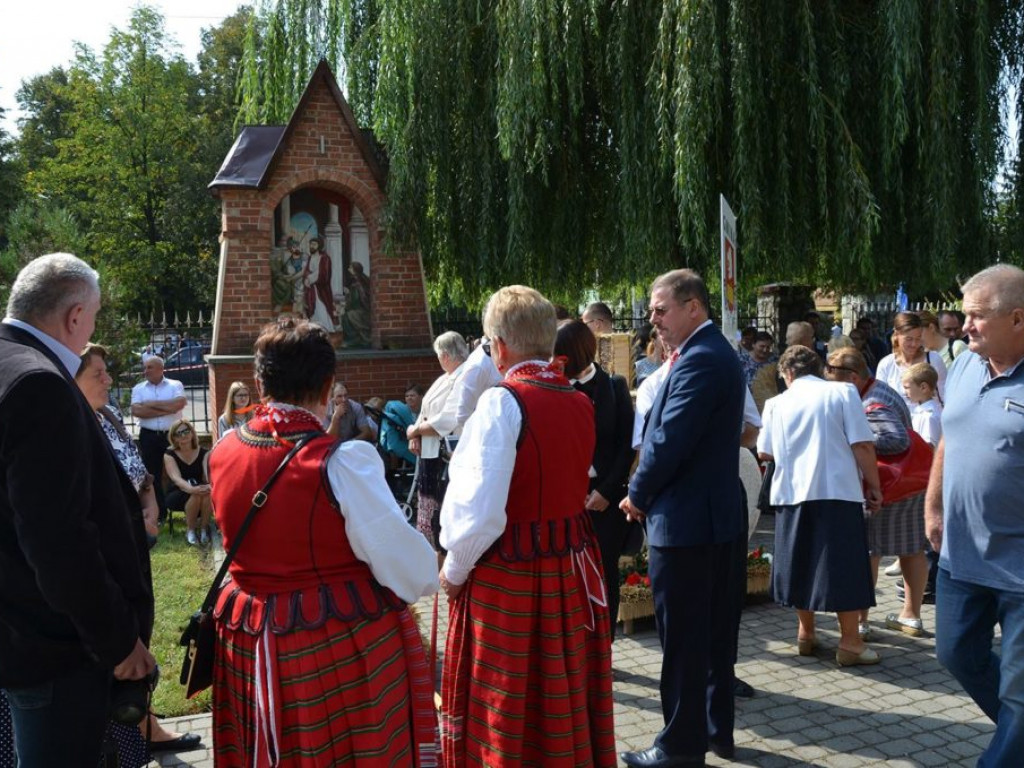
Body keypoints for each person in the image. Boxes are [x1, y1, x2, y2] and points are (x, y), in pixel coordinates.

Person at [208, 317, 439, 766]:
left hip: (249, 637)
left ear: (259, 382)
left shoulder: (223, 450)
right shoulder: (342, 461)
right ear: (329, 381)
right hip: (333, 639)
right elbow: (409, 569)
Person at [439, 286, 615, 767]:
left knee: (507, 701)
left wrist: (453, 571)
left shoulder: (502, 402)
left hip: (511, 574)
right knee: (557, 695)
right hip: (569, 567)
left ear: (497, 346)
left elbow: (479, 512)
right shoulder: (578, 399)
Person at [0, 253, 155, 765]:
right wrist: (118, 641)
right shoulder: (40, 384)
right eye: (93, 316)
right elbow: (57, 540)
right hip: (56, 646)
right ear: (74, 317)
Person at [619, 269, 745, 767]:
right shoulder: (708, 353)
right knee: (713, 635)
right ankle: (715, 732)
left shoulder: (701, 358)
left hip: (689, 522)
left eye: (660, 309)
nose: (653, 318)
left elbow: (670, 439)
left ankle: (679, 747)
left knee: (685, 640)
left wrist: (637, 493)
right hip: (710, 517)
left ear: (693, 307)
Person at [74, 343, 201, 756]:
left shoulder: (106, 415)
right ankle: (130, 737)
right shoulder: (69, 423)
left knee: (137, 636)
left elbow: (139, 472)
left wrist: (148, 511)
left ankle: (141, 732)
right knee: (119, 645)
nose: (109, 380)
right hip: (106, 553)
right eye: (99, 374)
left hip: (135, 538)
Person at [927, 264, 1024, 766]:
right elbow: (949, 435)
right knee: (955, 653)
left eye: (977, 317)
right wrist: (933, 503)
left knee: (1019, 693)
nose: (965, 327)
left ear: (1018, 318)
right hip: (961, 554)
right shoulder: (965, 364)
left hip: (1019, 566)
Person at [758, 346, 882, 667]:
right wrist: (875, 486)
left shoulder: (775, 403)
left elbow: (765, 453)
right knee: (844, 566)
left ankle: (806, 633)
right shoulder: (842, 392)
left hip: (791, 494)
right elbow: (863, 444)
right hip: (837, 491)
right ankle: (850, 643)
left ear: (786, 374)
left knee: (801, 561)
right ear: (818, 368)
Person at [824, 347, 930, 638]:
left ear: (854, 377)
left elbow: (895, 441)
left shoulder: (873, 402)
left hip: (888, 487)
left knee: (869, 552)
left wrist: (855, 439)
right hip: (910, 484)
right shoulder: (878, 390)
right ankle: (911, 617)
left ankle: (859, 622)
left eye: (834, 379)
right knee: (911, 550)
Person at [555, 319, 636, 639]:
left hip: (605, 498)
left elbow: (626, 446)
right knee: (567, 576)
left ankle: (605, 648)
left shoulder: (613, 387)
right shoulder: (555, 387)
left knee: (605, 574)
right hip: (566, 498)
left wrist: (606, 490)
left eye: (561, 354)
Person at [407, 331, 470, 564]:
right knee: (430, 517)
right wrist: (415, 435)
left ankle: (447, 565)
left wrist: (415, 431)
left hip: (448, 456)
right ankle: (434, 564)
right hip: (429, 453)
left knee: (443, 516)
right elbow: (424, 412)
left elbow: (447, 420)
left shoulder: (465, 377)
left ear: (445, 355)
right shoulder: (444, 378)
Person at [130, 354, 187, 523]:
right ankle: (160, 513)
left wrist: (149, 405)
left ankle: (186, 509)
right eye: (145, 367)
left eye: (150, 367)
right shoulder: (139, 388)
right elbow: (136, 411)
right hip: (148, 435)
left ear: (161, 369)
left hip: (173, 435)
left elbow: (179, 405)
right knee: (152, 474)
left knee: (179, 471)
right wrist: (167, 407)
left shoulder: (175, 385)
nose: (145, 371)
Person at [875, 311, 948, 408]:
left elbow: (945, 395)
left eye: (918, 338)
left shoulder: (934, 359)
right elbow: (880, 401)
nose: (914, 344)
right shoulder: (886, 364)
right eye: (909, 339)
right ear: (897, 335)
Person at [163, 419, 212, 546]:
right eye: (179, 433)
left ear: (192, 433)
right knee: (196, 494)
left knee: (207, 493)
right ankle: (190, 531)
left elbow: (207, 477)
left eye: (186, 431)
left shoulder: (204, 452)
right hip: (177, 492)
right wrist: (192, 489)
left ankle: (203, 529)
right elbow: (176, 479)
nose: (183, 435)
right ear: (174, 438)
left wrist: (208, 486)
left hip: (199, 489)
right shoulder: (169, 454)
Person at [902, 362, 943, 448]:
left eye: (907, 388)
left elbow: (929, 448)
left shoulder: (929, 416)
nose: (904, 392)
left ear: (923, 387)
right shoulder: (921, 412)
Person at [302, 236, 336, 330]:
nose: (311, 246)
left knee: (322, 309)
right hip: (311, 289)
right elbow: (307, 271)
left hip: (321, 289)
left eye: (314, 244)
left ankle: (326, 328)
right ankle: (315, 329)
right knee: (313, 309)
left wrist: (310, 278)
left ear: (319, 245)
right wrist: (306, 278)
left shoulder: (325, 258)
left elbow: (324, 275)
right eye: (310, 244)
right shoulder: (310, 257)